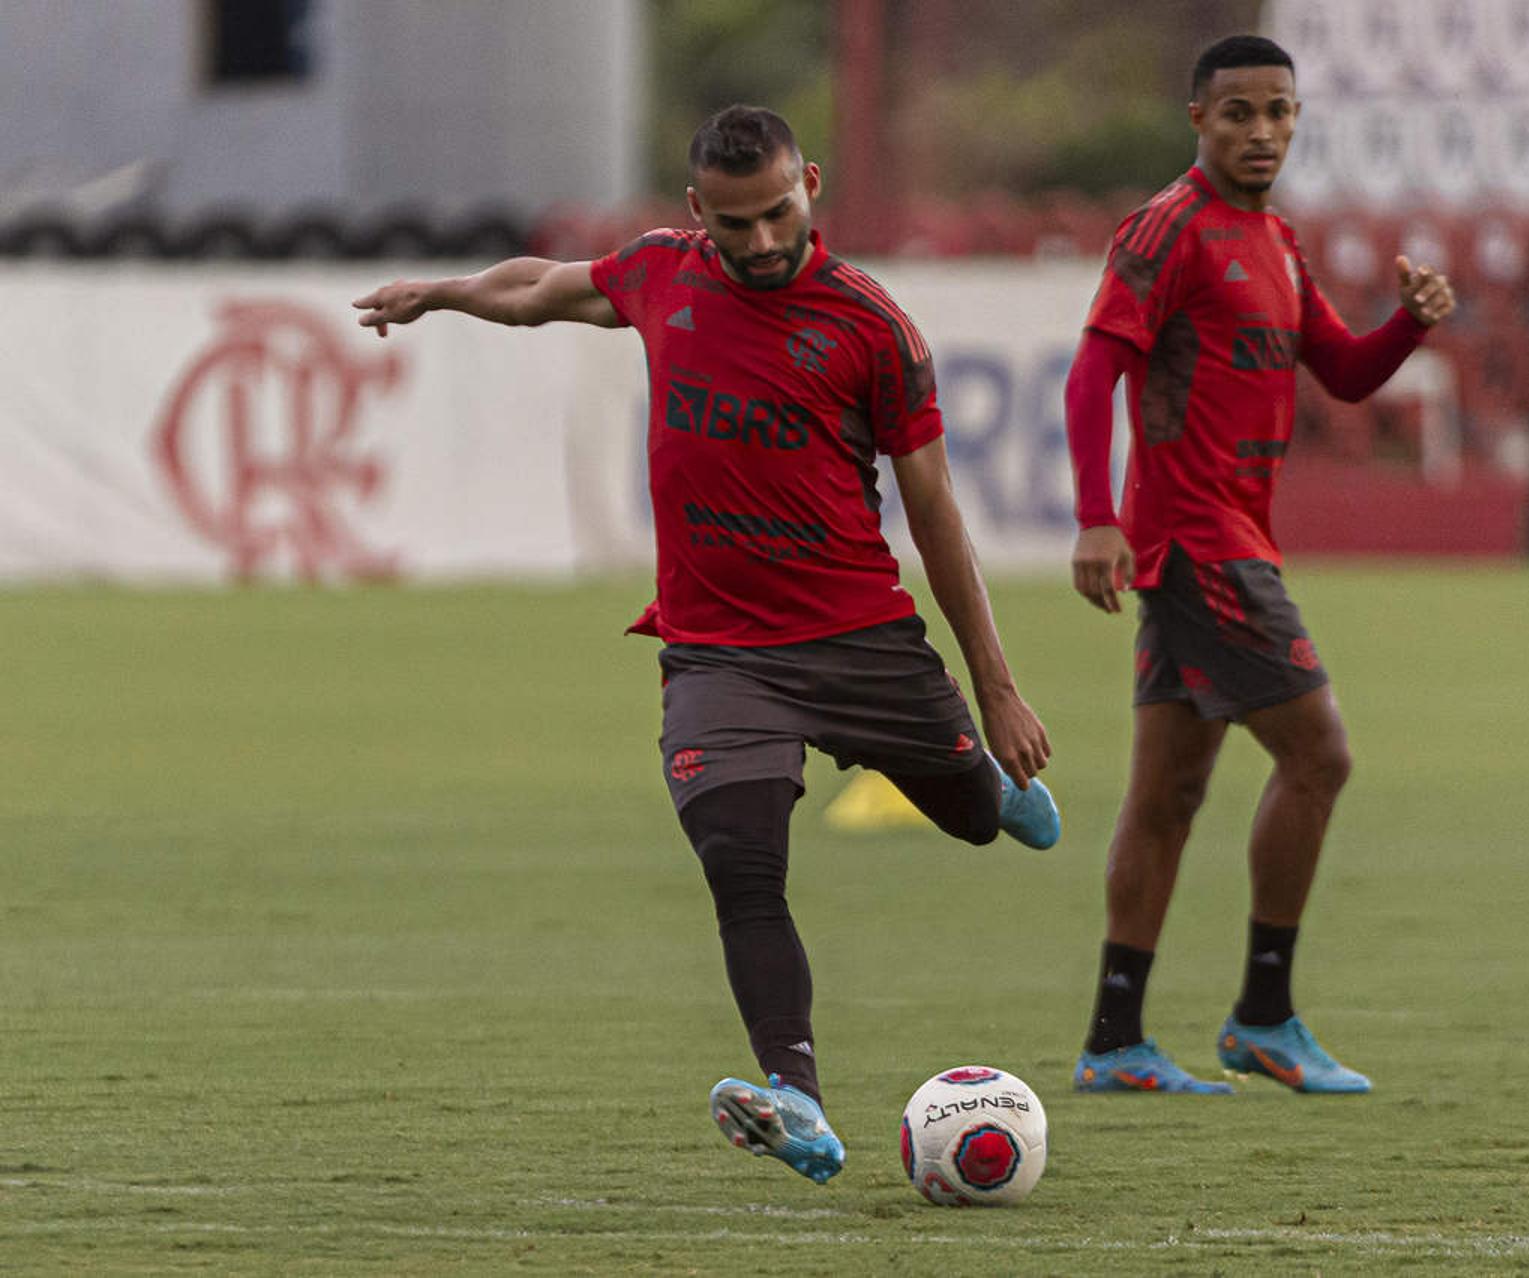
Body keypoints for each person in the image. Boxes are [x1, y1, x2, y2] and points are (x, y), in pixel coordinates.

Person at [353, 105, 1059, 1183]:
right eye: (737, 225)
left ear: (810, 183)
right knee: (740, 864)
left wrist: (997, 691)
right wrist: (439, 294)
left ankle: (985, 788)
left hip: (861, 640)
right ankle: (799, 1102)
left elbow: (939, 517)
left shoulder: (874, 327)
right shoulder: (660, 274)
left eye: (780, 213)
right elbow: (540, 289)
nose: (765, 242)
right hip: (721, 655)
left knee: (970, 818)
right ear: (698, 213)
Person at [1062, 35, 1454, 1096]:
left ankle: (1114, 1042)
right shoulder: (1170, 228)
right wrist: (1100, 517)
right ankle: (1265, 1017)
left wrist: (1409, 329)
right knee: (1320, 757)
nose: (1262, 131)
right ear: (1199, 119)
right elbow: (1095, 371)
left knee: (1168, 796)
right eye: (1239, 112)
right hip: (1198, 543)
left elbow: (1343, 371)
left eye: (1280, 111)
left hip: (1229, 536)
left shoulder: (1275, 238)